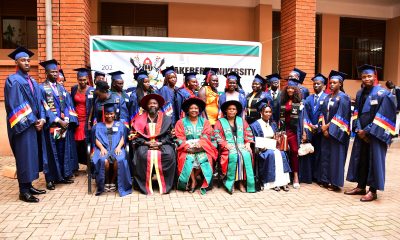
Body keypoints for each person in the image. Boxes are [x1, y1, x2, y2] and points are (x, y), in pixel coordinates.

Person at [345, 64, 396, 202]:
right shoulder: (360, 93)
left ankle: (373, 191)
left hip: (376, 134)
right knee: (361, 160)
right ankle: (361, 186)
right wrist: (359, 129)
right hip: (362, 134)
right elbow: (357, 112)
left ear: (374, 76)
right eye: (363, 76)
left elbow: (384, 116)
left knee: (374, 161)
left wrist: (367, 131)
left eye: (369, 76)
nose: (366, 78)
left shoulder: (383, 94)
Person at [4, 47, 47, 202]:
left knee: (31, 156)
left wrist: (42, 119)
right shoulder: (13, 80)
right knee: (24, 156)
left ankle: (29, 186)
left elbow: (41, 102)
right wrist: (33, 120)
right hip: (22, 125)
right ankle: (23, 191)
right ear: (16, 62)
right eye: (23, 60)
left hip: (34, 124)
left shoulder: (33, 81)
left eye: (28, 60)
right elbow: (16, 104)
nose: (27, 63)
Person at [39, 59, 78, 190]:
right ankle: (50, 179)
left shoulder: (61, 88)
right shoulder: (41, 88)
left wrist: (66, 118)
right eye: (52, 72)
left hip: (62, 127)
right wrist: (57, 120)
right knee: (51, 152)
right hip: (51, 126)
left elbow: (67, 105)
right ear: (46, 72)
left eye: (56, 71)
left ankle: (62, 176)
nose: (55, 74)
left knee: (62, 151)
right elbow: (44, 107)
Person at [131, 94, 176, 195]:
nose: (152, 105)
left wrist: (160, 143)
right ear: (146, 106)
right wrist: (146, 142)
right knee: (142, 155)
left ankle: (166, 185)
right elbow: (134, 135)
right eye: (150, 103)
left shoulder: (166, 119)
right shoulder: (139, 118)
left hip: (162, 143)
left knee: (168, 154)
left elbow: (170, 135)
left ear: (158, 105)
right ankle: (144, 185)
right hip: (144, 144)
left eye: (154, 103)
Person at [175, 98, 217, 194]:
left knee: (205, 158)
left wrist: (200, 144)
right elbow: (179, 136)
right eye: (191, 108)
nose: (194, 110)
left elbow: (207, 134)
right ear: (187, 110)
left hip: (202, 146)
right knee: (188, 158)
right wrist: (187, 147)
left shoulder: (205, 122)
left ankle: (196, 180)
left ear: (199, 110)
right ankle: (193, 181)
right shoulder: (180, 122)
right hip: (187, 147)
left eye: (196, 108)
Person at [319, 71, 351, 191]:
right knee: (326, 155)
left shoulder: (344, 97)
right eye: (330, 82)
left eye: (334, 82)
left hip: (337, 132)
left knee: (336, 157)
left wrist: (327, 127)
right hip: (326, 131)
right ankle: (325, 179)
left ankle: (335, 183)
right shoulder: (328, 96)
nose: (331, 85)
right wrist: (322, 126)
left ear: (340, 84)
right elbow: (322, 112)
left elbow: (341, 115)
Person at [214, 100, 255, 193]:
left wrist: (248, 143)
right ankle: (231, 182)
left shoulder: (242, 121)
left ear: (237, 111)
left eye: (234, 109)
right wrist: (225, 144)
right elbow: (216, 135)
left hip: (241, 145)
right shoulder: (220, 122)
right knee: (234, 156)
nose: (232, 111)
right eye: (229, 109)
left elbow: (248, 132)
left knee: (246, 155)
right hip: (227, 146)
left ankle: (241, 182)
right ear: (225, 111)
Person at [92, 102, 132, 197]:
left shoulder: (120, 125)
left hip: (116, 148)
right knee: (103, 160)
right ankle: (105, 182)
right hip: (103, 149)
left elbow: (123, 137)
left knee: (120, 159)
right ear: (104, 114)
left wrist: (118, 147)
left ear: (114, 114)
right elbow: (96, 139)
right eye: (107, 113)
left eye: (111, 113)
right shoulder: (98, 126)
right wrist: (101, 148)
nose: (109, 115)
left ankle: (113, 181)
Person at [250, 100, 291, 192]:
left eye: (270, 112)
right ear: (261, 113)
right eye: (266, 112)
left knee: (282, 154)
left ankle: (283, 182)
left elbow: (275, 136)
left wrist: (278, 138)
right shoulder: (255, 125)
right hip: (262, 149)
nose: (268, 114)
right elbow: (254, 140)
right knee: (272, 155)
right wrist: (260, 146)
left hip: (273, 146)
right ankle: (273, 183)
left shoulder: (273, 124)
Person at [299, 73, 328, 184]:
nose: (316, 85)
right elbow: (305, 113)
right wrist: (310, 125)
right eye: (314, 83)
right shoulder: (308, 98)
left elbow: (325, 114)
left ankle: (319, 177)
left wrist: (319, 126)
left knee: (320, 153)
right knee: (310, 152)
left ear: (324, 86)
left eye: (318, 84)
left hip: (321, 130)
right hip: (310, 130)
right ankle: (310, 175)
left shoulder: (327, 98)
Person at [279, 80, 302, 188]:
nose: (290, 90)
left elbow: (303, 119)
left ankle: (296, 176)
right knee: (283, 152)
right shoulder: (283, 101)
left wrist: (303, 133)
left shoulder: (300, 102)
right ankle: (285, 177)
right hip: (284, 130)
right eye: (288, 88)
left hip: (294, 130)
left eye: (292, 88)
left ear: (296, 90)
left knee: (294, 151)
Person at [71, 68, 95, 166]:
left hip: (86, 119)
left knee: (86, 142)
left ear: (87, 79)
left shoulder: (91, 90)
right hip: (76, 119)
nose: (82, 82)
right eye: (80, 80)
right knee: (76, 143)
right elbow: (71, 103)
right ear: (77, 79)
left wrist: (89, 121)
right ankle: (76, 164)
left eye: (84, 79)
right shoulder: (74, 89)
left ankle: (88, 164)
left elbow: (93, 106)